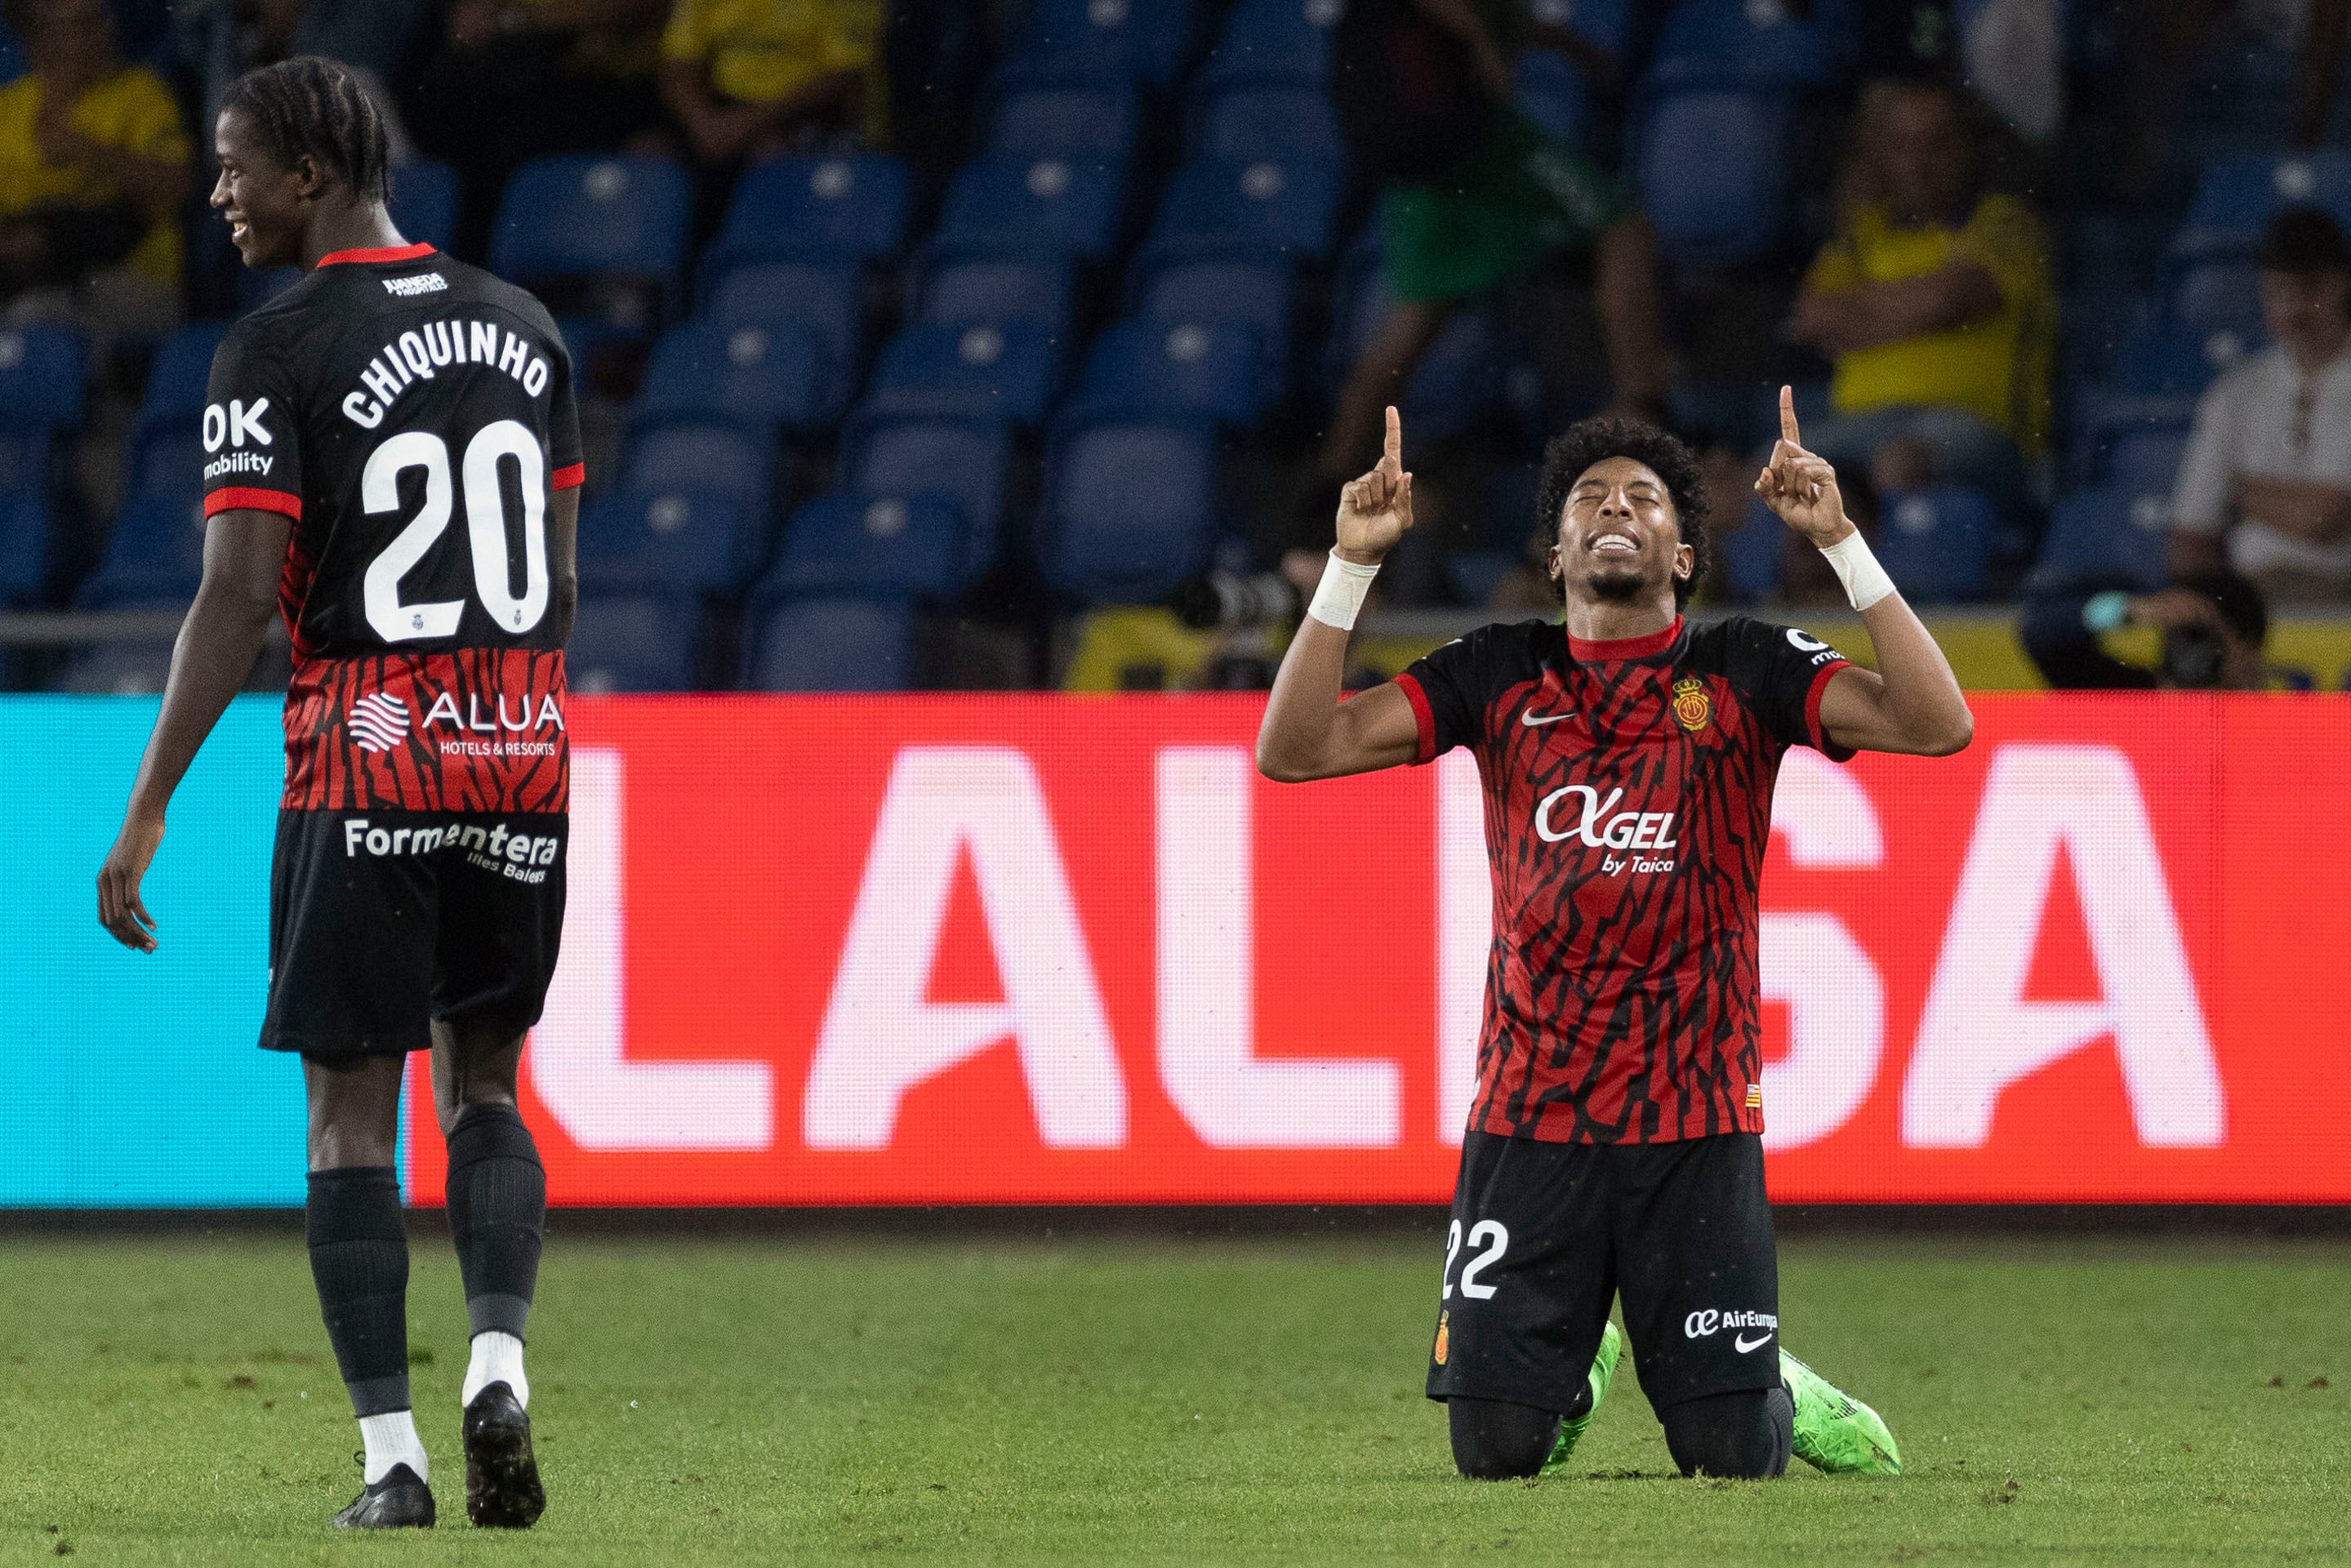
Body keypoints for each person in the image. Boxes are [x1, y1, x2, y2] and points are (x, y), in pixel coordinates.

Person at [1256, 392, 1972, 1481]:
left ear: (1682, 554)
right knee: (1495, 1457)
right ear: (1555, 553)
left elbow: (1937, 725)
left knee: (1731, 1460)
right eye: (1590, 497)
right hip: (1529, 1109)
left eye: (1643, 499)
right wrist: (1350, 567)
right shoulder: (1496, 671)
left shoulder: (1744, 666)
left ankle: (1772, 1383)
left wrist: (1836, 540)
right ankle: (1581, 1357)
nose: (1615, 509)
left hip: (1692, 1111)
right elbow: (1296, 750)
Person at [93, 56, 582, 1531]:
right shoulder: (526, 326)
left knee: (347, 1124)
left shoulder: (279, 345)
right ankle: (497, 1358)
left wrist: (150, 803)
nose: (220, 194)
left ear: (311, 171)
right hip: (516, 743)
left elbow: (238, 592)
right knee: (486, 1087)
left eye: (237, 167)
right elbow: (555, 578)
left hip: (365, 743)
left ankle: (396, 1464)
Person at [1323, 0, 1668, 481]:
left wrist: (1572, 48)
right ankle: (1644, 402)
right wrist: (1484, 49)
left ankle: (1330, 477)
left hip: (1424, 168)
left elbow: (1504, 20)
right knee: (1620, 225)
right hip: (1481, 149)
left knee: (1420, 312)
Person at [1785, 78, 2053, 524]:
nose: (1918, 163)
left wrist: (1858, 313)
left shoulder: (2004, 224)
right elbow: (1811, 318)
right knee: (1770, 471)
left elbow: (1948, 300)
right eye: (1902, 146)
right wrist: (1916, 306)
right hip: (1859, 425)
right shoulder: (1862, 234)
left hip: (1979, 430)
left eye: (1936, 145)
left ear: (1967, 149)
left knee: (1897, 464)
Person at [2169, 207, 2351, 604]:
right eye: (2277, 292)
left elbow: (2326, 519)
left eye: (2308, 289)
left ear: (2339, 285)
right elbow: (2191, 534)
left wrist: (2239, 496)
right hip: (2250, 596)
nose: (2292, 307)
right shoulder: (2235, 392)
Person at [408, 0, 670, 259]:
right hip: (516, 73)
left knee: (516, 131)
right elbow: (468, 25)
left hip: (613, 88)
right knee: (449, 95)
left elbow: (631, 9)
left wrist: (518, 17)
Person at [0, 0, 190, 328]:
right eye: (82, 24)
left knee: (37, 318)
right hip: (27, 273)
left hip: (130, 274)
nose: (103, 31)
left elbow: (181, 186)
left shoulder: (141, 93)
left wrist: (93, 153)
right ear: (43, 39)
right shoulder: (10, 106)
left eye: (102, 18)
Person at [658, 0, 882, 172]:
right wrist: (703, 125)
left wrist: (747, 123)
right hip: (719, 115)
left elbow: (846, 75)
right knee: (651, 154)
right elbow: (678, 63)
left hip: (798, 114)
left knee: (770, 152)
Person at [2019, 572, 2269, 689]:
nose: (2190, 651)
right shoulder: (2134, 697)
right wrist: (2125, 611)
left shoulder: (2280, 721)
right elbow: (2040, 634)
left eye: (2200, 637)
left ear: (2248, 645)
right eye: (2182, 633)